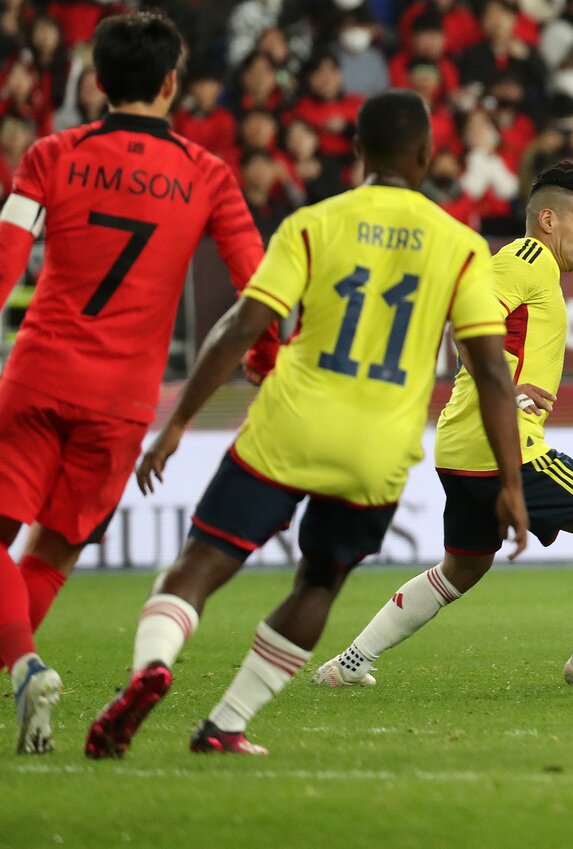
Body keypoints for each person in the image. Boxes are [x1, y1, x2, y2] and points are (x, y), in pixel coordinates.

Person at [83, 89, 529, 759]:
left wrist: (177, 423)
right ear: (426, 154)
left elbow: (243, 326)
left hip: (289, 425)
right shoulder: (462, 246)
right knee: (320, 581)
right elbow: (492, 371)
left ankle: (152, 664)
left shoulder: (314, 222)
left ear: (358, 153)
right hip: (375, 449)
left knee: (202, 560)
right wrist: (511, 484)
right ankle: (227, 722)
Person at [0, 12, 278, 755]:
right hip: (123, 401)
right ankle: (22, 668)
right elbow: (258, 284)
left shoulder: (52, 154)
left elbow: (6, 252)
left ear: (97, 81)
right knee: (53, 552)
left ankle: (25, 665)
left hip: (38, 375)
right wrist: (264, 355)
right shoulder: (206, 173)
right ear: (170, 83)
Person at [314, 162, 573, 691]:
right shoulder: (525, 260)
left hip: (462, 448)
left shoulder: (537, 270)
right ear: (549, 220)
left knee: (463, 568)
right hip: (507, 448)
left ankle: (349, 663)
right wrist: (509, 387)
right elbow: (465, 323)